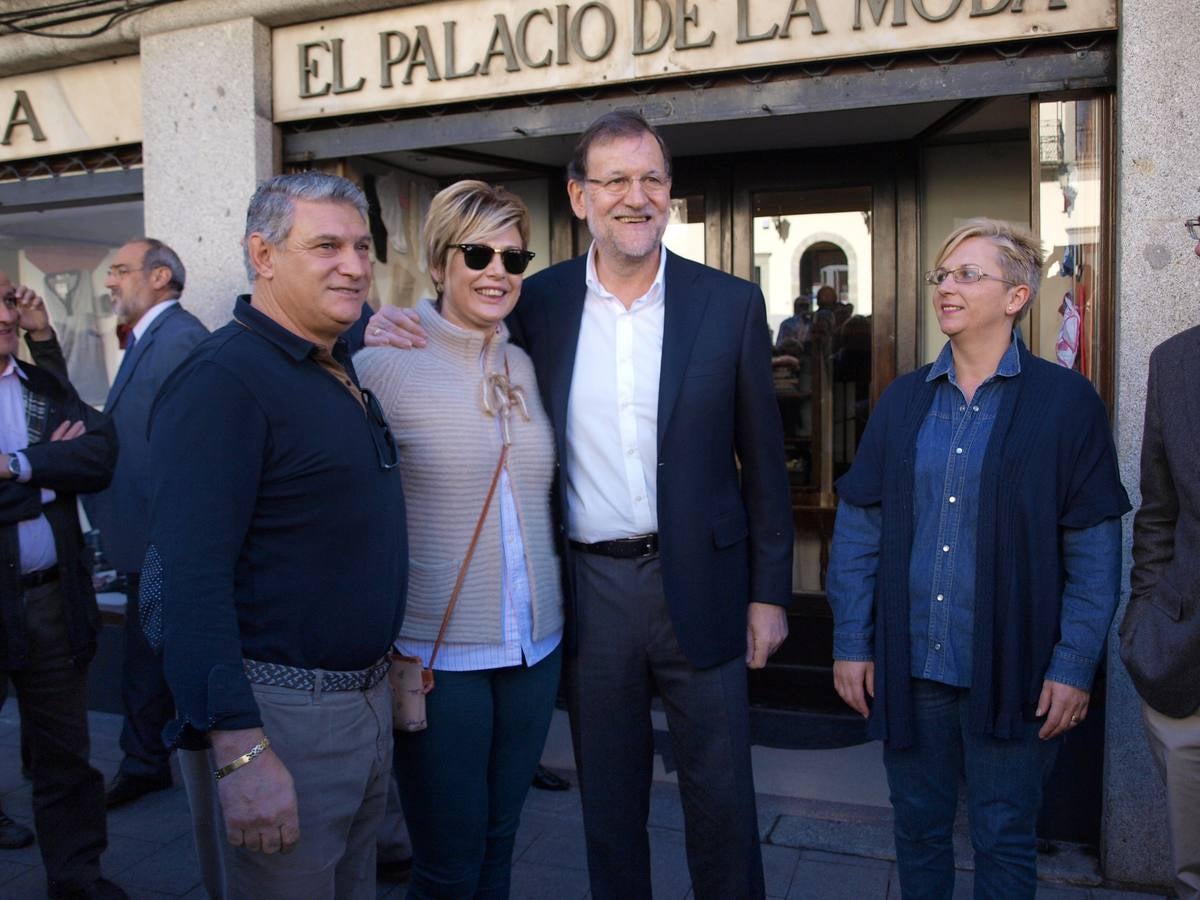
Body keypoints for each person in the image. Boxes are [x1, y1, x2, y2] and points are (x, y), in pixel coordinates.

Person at [365, 111, 794, 900]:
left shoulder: (728, 304)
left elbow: (764, 463)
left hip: (703, 583)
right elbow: (460, 321)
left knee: (724, 800)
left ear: (671, 192)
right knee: (609, 806)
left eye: (653, 179)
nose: (637, 197)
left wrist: (769, 592)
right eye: (616, 180)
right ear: (579, 196)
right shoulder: (541, 300)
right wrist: (378, 320)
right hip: (590, 594)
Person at [827, 218, 1129, 898]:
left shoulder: (1065, 403)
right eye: (942, 276)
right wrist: (852, 639)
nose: (947, 288)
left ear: (1016, 296)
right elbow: (860, 531)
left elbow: (1093, 552)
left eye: (968, 275)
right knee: (919, 829)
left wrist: (1074, 664)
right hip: (913, 666)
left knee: (1003, 835)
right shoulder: (904, 400)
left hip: (1016, 670)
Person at [144, 172, 408, 898]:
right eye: (326, 245)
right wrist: (238, 748)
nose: (354, 265)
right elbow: (186, 580)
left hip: (360, 707)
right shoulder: (222, 382)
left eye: (360, 245)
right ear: (262, 255)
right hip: (278, 723)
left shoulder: (333, 366)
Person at [356, 179, 563, 899]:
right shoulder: (383, 364)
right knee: (446, 860)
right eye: (478, 253)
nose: (497, 271)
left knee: (500, 844)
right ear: (440, 264)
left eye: (514, 257)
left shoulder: (525, 365)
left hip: (536, 646)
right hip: (439, 655)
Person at [0, 269, 123, 898]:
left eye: (4, 298)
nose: (1, 313)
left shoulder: (41, 385)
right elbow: (69, 467)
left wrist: (21, 466)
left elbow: (99, 455)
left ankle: (77, 879)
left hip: (51, 601)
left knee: (65, 757)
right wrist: (52, 473)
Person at [85, 238, 208, 810]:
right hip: (146, 537)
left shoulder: (180, 339)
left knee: (153, 656)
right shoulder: (150, 338)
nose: (110, 282)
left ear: (160, 277)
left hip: (165, 540)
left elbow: (194, 451)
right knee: (145, 658)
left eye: (119, 270)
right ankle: (148, 759)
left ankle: (150, 762)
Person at [1120, 214, 1200, 900]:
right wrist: (1143, 620)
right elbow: (1159, 511)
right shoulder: (1174, 362)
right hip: (1185, 661)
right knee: (1190, 873)